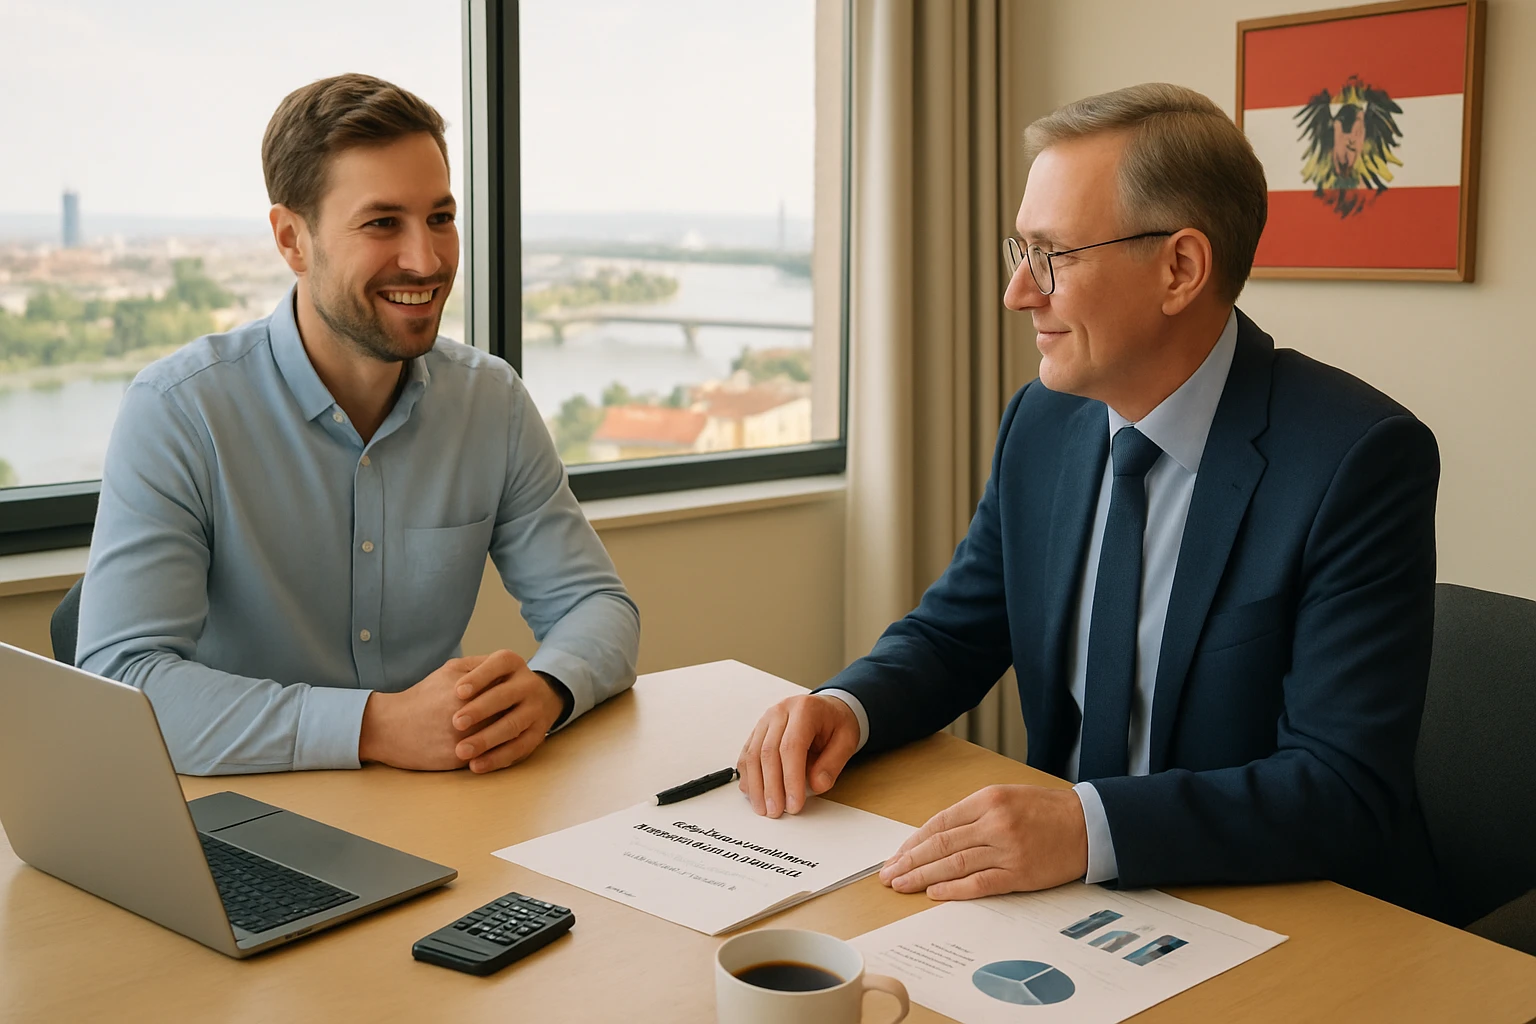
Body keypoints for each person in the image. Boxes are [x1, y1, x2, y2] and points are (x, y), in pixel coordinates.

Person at [736, 83, 1440, 913]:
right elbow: (959, 629)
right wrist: (846, 705)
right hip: (1066, 904)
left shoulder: (1356, 459)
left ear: (1180, 267)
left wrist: (1082, 827)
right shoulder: (1045, 419)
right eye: (1019, 251)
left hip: (1281, 913)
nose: (1018, 293)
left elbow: (1342, 787)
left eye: (1053, 257)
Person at [77, 74, 639, 777]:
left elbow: (596, 605)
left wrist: (549, 689)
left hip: (435, 811)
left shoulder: (490, 402)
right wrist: (374, 725)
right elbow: (124, 680)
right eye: (383, 223)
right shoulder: (181, 411)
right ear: (292, 239)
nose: (427, 261)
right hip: (242, 820)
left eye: (440, 217)